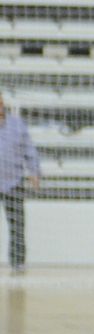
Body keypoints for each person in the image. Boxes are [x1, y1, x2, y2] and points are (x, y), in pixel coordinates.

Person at [0, 93, 40, 274]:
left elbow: (29, 149)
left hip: (13, 181)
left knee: (17, 223)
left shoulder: (17, 125)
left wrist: (34, 172)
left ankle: (18, 262)